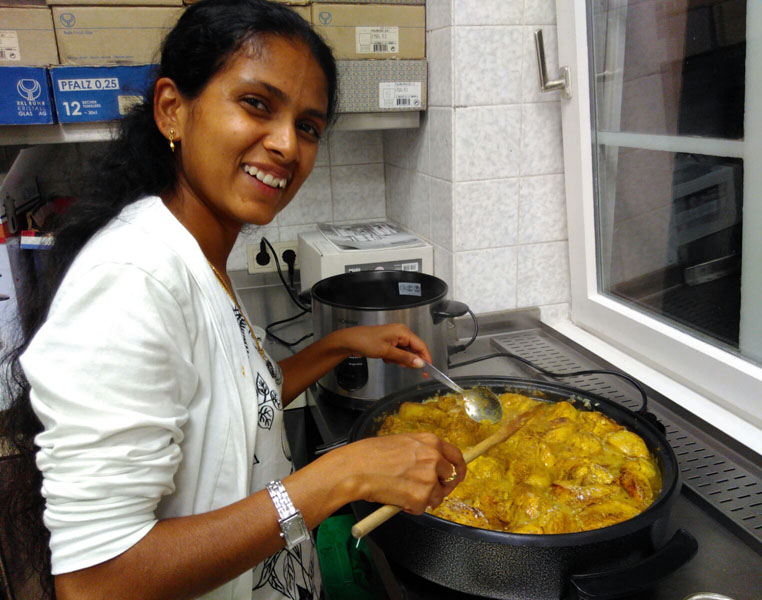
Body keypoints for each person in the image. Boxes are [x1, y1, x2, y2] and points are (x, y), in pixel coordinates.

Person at [0, 1, 466, 599]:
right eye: (257, 105)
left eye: (308, 126)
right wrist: (341, 475)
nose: (286, 146)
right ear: (173, 110)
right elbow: (95, 583)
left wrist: (338, 345)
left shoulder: (198, 255)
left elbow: (234, 407)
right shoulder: (131, 280)